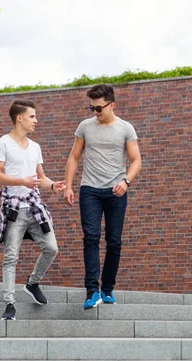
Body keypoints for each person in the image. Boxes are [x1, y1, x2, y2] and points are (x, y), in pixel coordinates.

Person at [64, 84, 142, 310]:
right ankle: (91, 291)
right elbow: (74, 156)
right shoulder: (85, 127)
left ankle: (107, 288)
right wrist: (69, 186)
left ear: (112, 105)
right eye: (92, 108)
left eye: (98, 108)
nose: (95, 113)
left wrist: (126, 181)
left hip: (116, 191)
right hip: (89, 190)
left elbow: (136, 160)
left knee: (114, 242)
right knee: (90, 238)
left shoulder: (126, 128)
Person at [0, 99, 66, 320]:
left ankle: (32, 284)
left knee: (51, 248)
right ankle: (9, 305)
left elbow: (40, 178)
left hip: (34, 207)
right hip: (14, 208)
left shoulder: (35, 147)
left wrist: (52, 185)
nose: (36, 120)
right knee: (11, 257)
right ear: (19, 118)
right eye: (32, 116)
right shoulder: (2, 143)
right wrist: (20, 181)